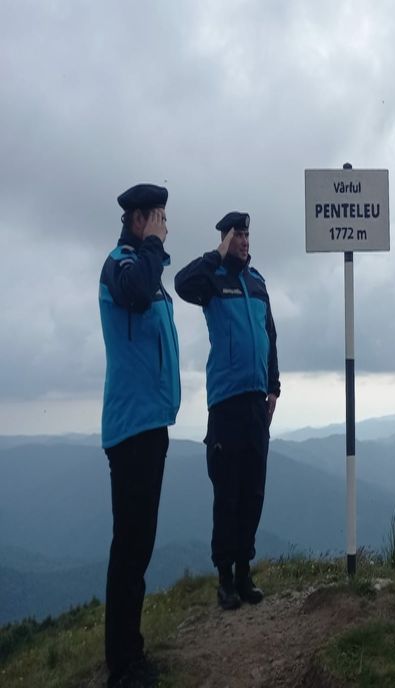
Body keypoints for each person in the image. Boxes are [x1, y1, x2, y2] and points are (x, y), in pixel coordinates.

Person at [175, 211, 280, 610]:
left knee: (253, 492)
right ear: (224, 239)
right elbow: (182, 283)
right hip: (225, 405)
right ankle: (224, 580)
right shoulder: (212, 280)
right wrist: (215, 255)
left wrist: (274, 388)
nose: (245, 241)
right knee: (228, 494)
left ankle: (244, 573)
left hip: (257, 403)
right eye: (238, 235)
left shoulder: (258, 283)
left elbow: (270, 335)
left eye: (248, 235)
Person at [99, 183, 181, 686]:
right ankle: (121, 664)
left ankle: (132, 650)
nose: (166, 228)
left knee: (140, 543)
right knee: (129, 546)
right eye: (160, 219)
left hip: (152, 424)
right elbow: (132, 295)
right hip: (131, 429)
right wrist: (150, 246)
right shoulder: (121, 265)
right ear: (140, 220)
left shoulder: (147, 268)